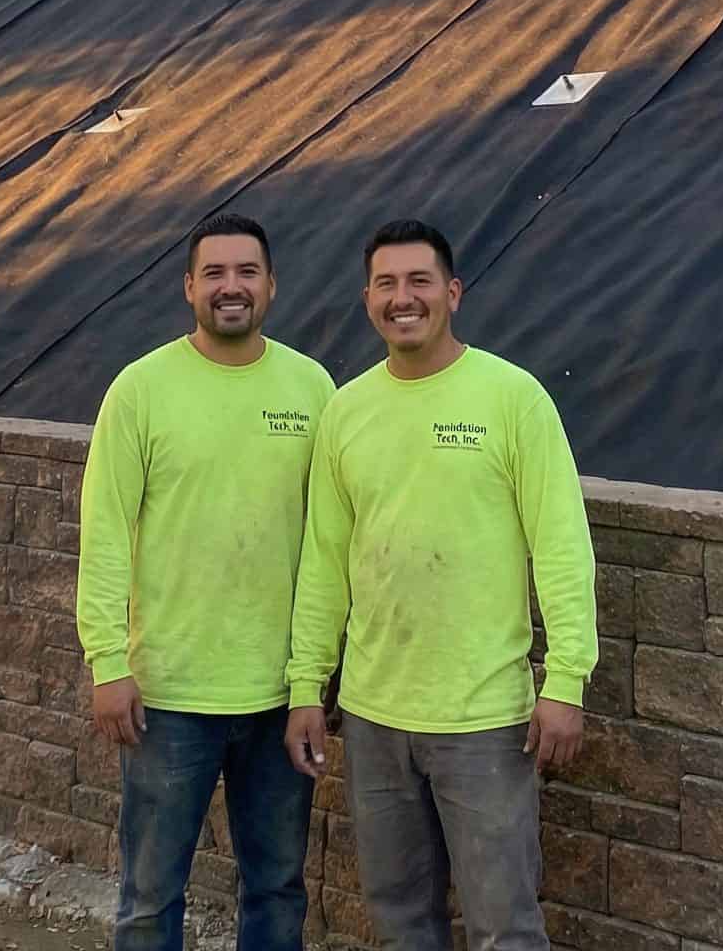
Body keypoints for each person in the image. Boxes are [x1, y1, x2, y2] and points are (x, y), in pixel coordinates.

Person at [283, 218, 597, 951]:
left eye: (419, 281)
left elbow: (561, 546)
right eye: (386, 284)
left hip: (483, 719)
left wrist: (567, 680)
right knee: (400, 922)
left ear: (452, 293)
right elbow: (324, 561)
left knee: (503, 927)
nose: (404, 298)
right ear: (368, 300)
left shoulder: (512, 399)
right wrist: (305, 684)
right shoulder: (346, 412)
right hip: (372, 717)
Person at [77, 211, 335, 951]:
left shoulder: (312, 388)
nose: (231, 286)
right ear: (189, 286)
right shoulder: (141, 390)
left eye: (246, 272)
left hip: (279, 697)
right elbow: (105, 534)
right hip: (168, 697)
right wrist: (108, 662)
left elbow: (329, 545)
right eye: (214, 273)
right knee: (150, 895)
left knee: (277, 889)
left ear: (271, 285)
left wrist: (313, 678)